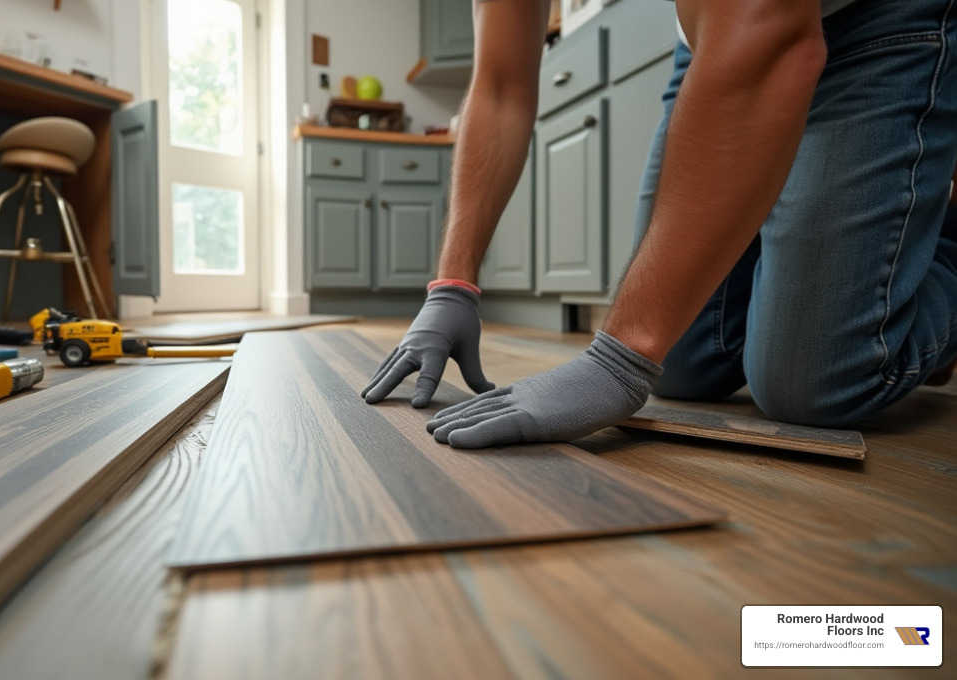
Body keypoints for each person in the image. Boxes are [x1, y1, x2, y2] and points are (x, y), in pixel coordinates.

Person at [361, 0, 957, 448]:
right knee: (684, 365)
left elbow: (771, 32)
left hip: (880, 20)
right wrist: (452, 287)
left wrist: (619, 357)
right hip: (713, 36)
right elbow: (499, 87)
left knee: (814, 386)